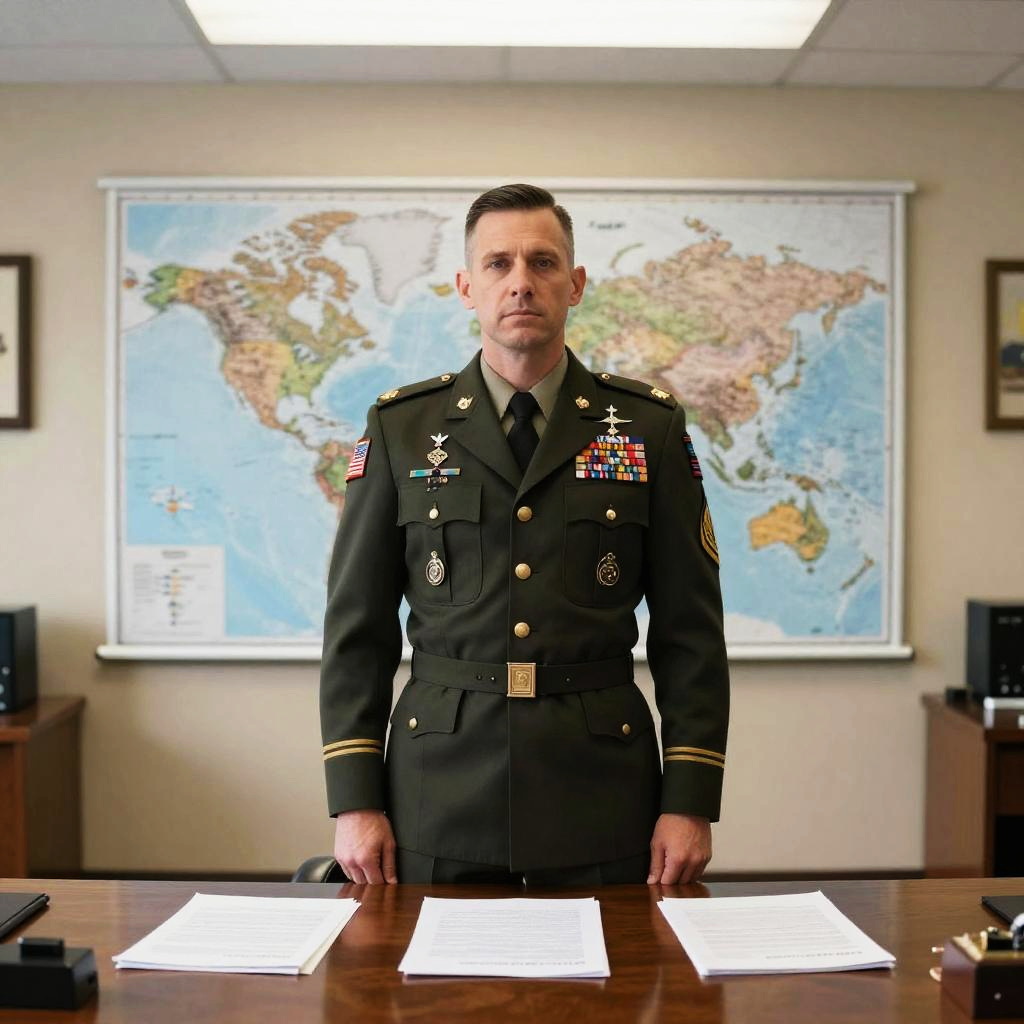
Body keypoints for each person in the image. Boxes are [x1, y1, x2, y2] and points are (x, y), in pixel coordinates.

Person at [320, 183, 729, 885]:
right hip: (437, 793)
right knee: (432, 991)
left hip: (601, 792)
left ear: (574, 285)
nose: (520, 283)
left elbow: (690, 632)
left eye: (542, 263)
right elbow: (357, 630)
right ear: (465, 287)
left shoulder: (646, 430)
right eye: (498, 264)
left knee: (611, 991)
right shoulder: (402, 430)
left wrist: (690, 801)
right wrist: (354, 800)